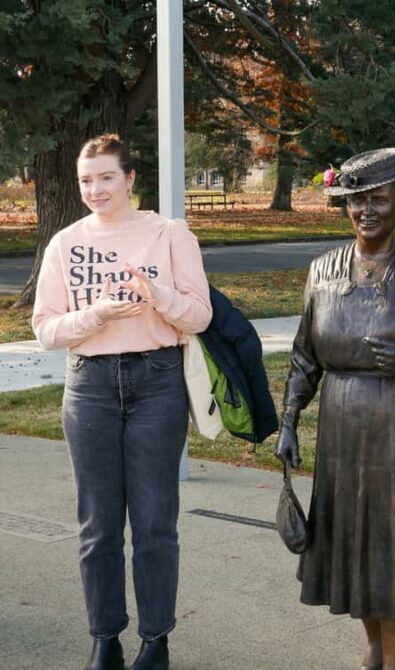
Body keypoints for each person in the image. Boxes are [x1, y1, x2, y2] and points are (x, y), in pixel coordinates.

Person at [275, 148, 395, 670]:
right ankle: (373, 646)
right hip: (343, 425)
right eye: (356, 199)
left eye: (377, 199)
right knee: (353, 541)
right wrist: (290, 420)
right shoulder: (321, 271)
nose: (366, 210)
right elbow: (304, 357)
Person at [32, 134, 212, 670]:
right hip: (89, 386)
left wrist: (159, 298)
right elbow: (44, 329)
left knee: (156, 522)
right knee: (97, 524)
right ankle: (104, 639)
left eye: (106, 177)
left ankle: (155, 642)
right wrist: (98, 316)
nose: (95, 189)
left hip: (157, 382)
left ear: (130, 179)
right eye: (86, 180)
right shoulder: (65, 243)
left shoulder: (169, 234)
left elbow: (200, 316)